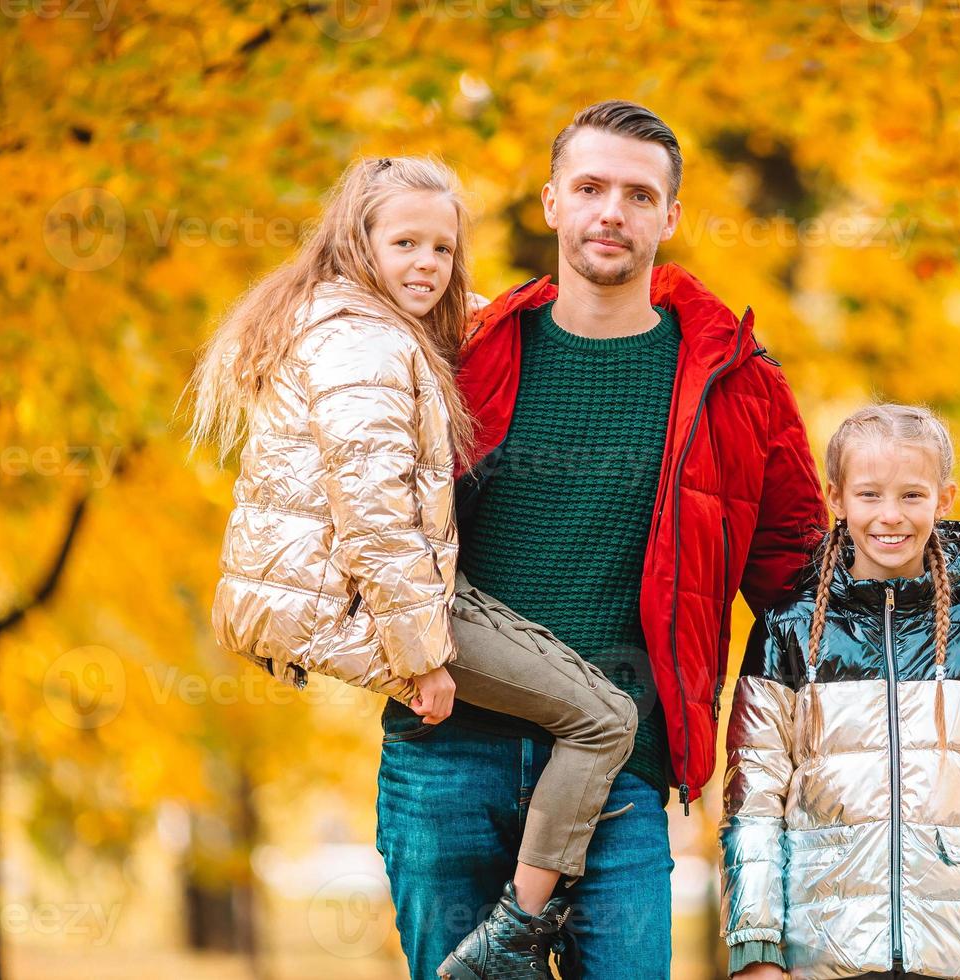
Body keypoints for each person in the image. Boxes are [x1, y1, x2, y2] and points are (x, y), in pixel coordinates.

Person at [375, 101, 827, 979]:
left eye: (637, 193)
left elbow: (799, 584)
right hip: (447, 754)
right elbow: (363, 509)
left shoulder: (737, 383)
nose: (611, 211)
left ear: (671, 217)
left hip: (621, 772)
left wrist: (927, 606)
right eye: (589, 187)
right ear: (551, 202)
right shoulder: (462, 352)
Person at [188, 155, 640, 979]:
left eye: (441, 249)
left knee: (592, 709)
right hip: (377, 605)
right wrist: (420, 658)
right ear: (358, 245)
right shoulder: (363, 344)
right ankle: (513, 938)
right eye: (405, 244)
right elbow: (376, 517)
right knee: (605, 719)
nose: (426, 266)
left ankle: (511, 931)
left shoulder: (356, 322)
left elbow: (466, 313)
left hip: (401, 593)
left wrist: (530, 304)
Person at [720, 404, 960, 980]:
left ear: (944, 499)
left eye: (912, 495)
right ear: (835, 499)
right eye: (869, 495)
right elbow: (753, 805)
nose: (890, 516)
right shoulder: (786, 633)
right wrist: (756, 946)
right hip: (823, 954)